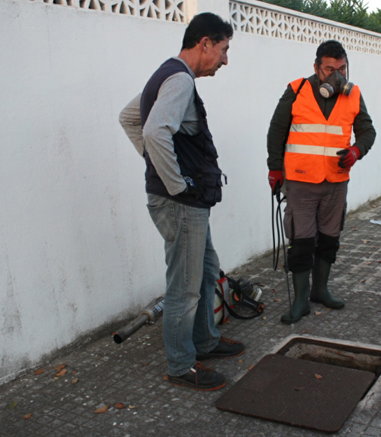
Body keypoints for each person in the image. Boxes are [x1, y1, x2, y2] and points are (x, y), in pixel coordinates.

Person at [118, 12, 244, 391]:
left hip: (185, 203)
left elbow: (129, 118)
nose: (225, 59)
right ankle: (180, 364)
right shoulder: (179, 80)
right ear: (204, 42)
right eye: (223, 49)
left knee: (206, 270)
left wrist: (159, 166)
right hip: (181, 204)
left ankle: (205, 341)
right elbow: (154, 130)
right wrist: (175, 184)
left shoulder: (166, 73)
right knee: (185, 287)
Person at [266, 40, 376, 324]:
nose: (337, 75)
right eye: (329, 69)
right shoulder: (296, 90)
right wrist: (275, 168)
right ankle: (301, 300)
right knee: (301, 241)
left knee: (329, 239)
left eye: (342, 69)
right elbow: (276, 131)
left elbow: (368, 131)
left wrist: (356, 151)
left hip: (336, 182)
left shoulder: (353, 95)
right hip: (301, 182)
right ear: (316, 68)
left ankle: (320, 290)